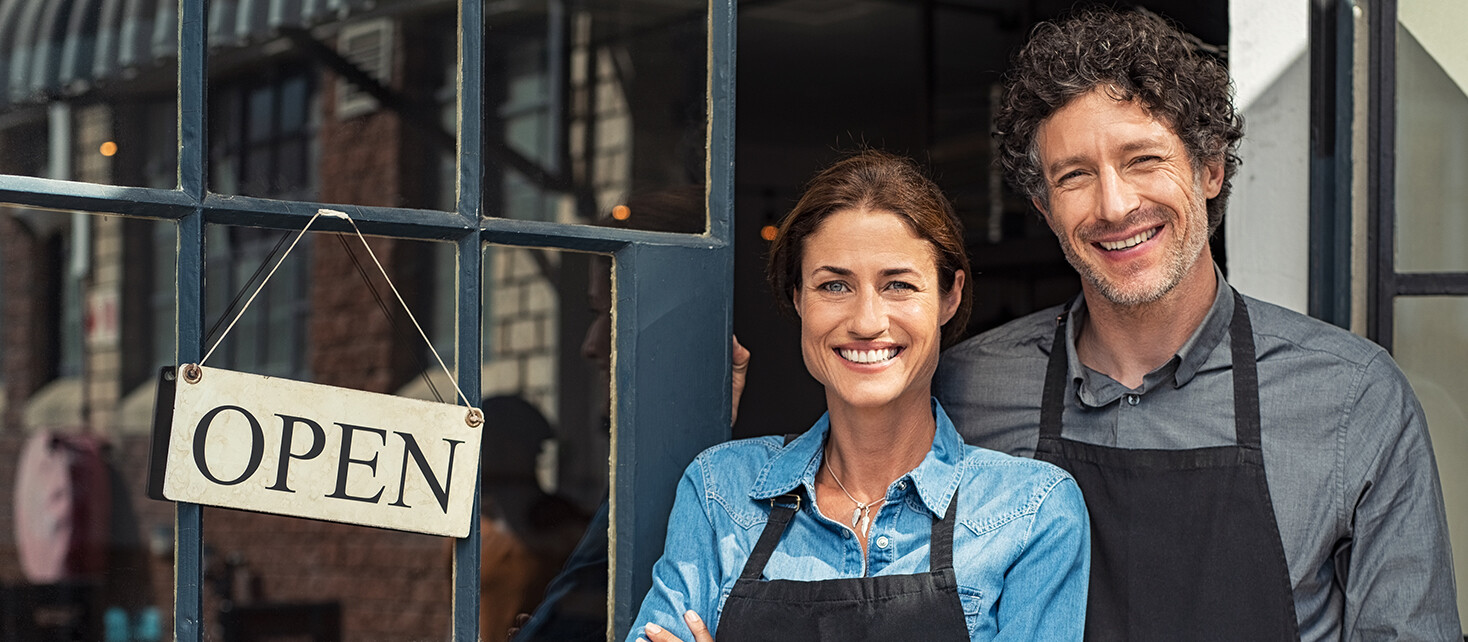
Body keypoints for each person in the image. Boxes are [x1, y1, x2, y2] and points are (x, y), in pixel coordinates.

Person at [932, 7, 1461, 640]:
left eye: (1143, 159)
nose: (1115, 205)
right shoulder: (962, 394)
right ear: (1044, 207)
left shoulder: (1352, 399)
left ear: (1209, 170)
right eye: (1075, 175)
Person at [630, 150, 1090, 642]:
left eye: (898, 285)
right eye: (834, 285)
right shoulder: (720, 490)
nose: (867, 322)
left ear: (949, 297)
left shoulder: (1030, 512)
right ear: (798, 298)